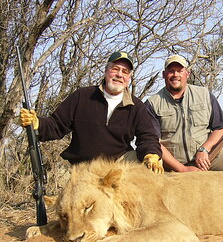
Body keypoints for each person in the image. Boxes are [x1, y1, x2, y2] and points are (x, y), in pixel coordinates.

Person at [20, 51, 163, 173]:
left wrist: (151, 156)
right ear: (106, 71)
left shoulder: (136, 106)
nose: (119, 75)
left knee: (151, 166)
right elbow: (56, 125)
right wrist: (37, 123)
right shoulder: (82, 96)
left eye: (125, 72)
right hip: (84, 168)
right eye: (115, 69)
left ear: (129, 78)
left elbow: (148, 136)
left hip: (117, 166)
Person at [145, 54, 223, 173]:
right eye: (171, 71)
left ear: (187, 74)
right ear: (164, 74)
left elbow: (221, 128)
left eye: (180, 71)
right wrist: (182, 169)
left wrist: (205, 149)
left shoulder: (204, 94)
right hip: (171, 162)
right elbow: (153, 141)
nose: (175, 75)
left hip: (206, 156)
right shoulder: (152, 103)